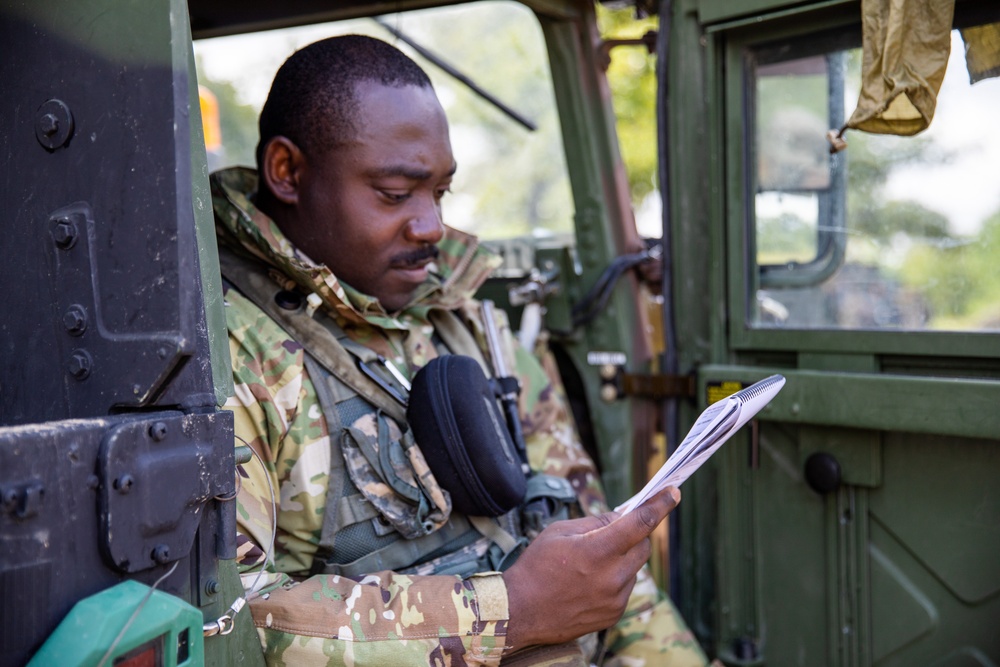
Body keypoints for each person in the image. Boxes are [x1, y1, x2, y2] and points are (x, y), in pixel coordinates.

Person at [212, 34, 713, 666]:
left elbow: (601, 558)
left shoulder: (468, 324)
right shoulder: (228, 353)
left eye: (440, 193)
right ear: (287, 172)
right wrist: (506, 612)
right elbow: (225, 628)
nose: (430, 227)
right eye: (395, 193)